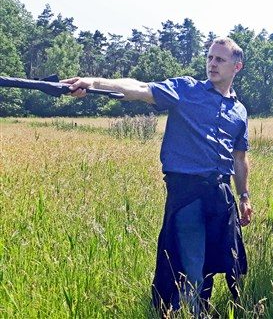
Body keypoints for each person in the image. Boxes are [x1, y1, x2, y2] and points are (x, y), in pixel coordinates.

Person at [64, 37, 253, 316]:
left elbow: (239, 158)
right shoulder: (185, 90)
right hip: (187, 193)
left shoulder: (240, 110)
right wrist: (93, 83)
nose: (212, 63)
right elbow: (139, 88)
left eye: (219, 59)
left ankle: (196, 308)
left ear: (237, 66)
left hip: (221, 196)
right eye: (210, 57)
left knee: (216, 262)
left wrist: (244, 196)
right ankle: (193, 312)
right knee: (192, 262)